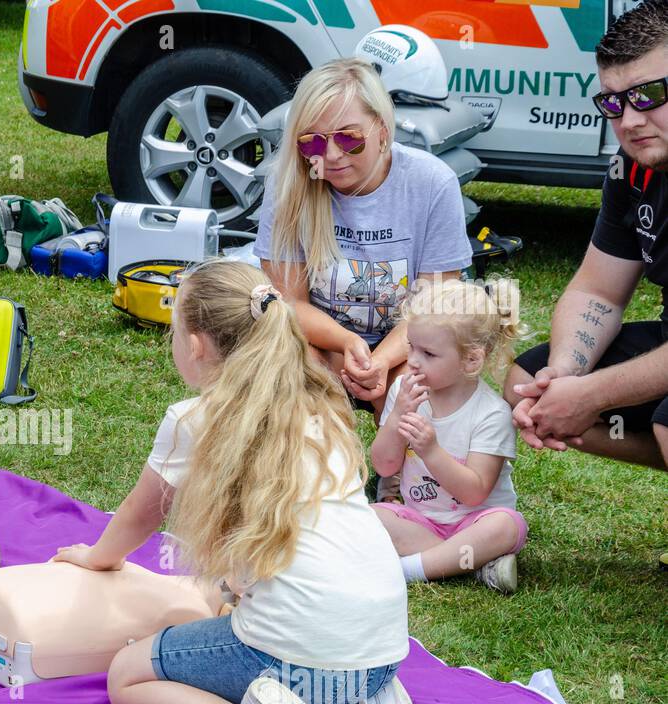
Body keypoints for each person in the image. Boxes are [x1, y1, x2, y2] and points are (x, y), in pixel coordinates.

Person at [55, 259, 426, 704]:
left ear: (198, 345)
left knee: (128, 677)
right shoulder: (322, 407)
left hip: (298, 657)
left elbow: (140, 516)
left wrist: (95, 559)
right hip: (385, 652)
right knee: (226, 619)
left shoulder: (195, 420)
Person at [255, 58, 472, 420]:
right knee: (293, 386)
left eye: (349, 138)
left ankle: (396, 473)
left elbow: (434, 309)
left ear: (383, 129)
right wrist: (347, 344)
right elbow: (288, 303)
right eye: (313, 142)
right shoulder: (287, 184)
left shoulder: (432, 183)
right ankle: (330, 466)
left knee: (419, 407)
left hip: (412, 345)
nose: (332, 155)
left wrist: (382, 362)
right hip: (320, 343)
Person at [507, 1, 668, 478]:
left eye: (649, 95)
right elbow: (596, 290)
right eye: (613, 102)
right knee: (524, 383)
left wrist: (593, 395)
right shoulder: (631, 166)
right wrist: (562, 378)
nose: (630, 120)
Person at [371, 279, 527, 594]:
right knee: (367, 517)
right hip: (419, 520)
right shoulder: (404, 391)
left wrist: (431, 451)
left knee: (508, 526)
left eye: (428, 353)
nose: (413, 360)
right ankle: (471, 564)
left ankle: (409, 569)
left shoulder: (491, 414)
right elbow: (384, 466)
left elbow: (474, 492)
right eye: (411, 346)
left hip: (475, 523)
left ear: (471, 359)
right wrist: (397, 417)